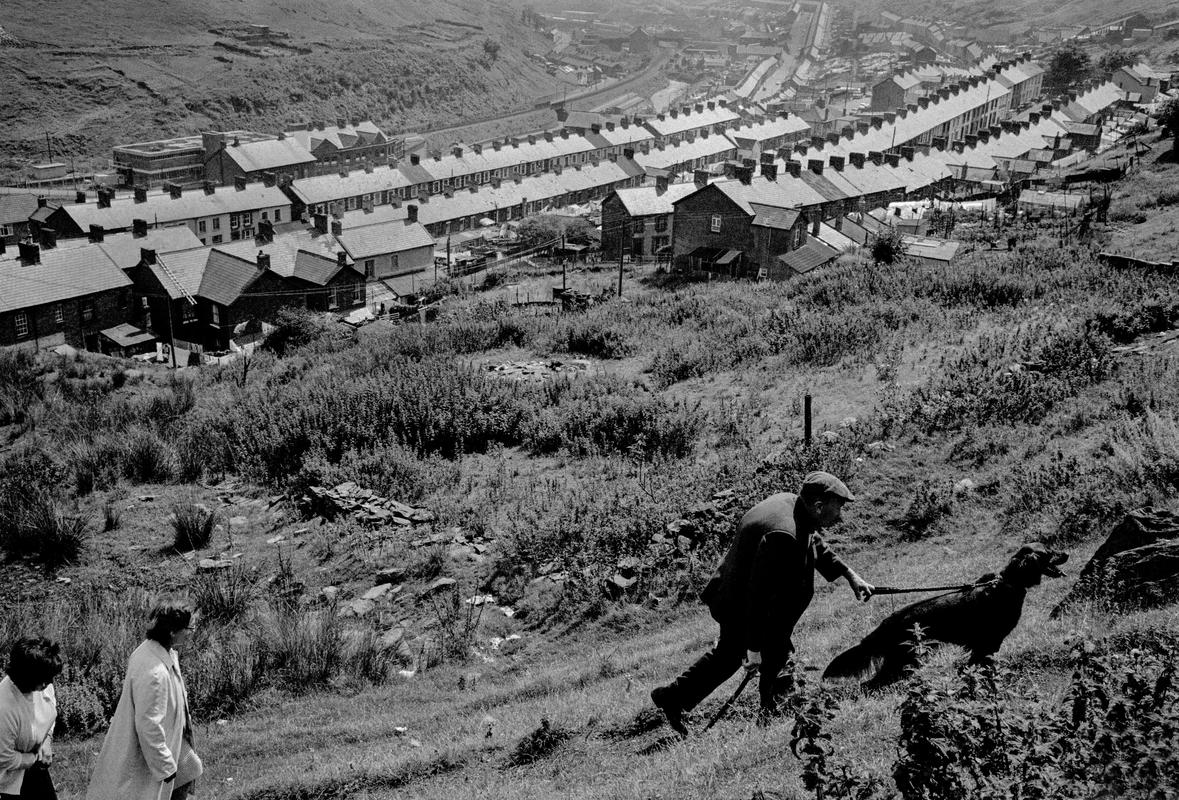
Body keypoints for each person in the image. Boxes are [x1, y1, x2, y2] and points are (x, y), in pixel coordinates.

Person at [651, 471, 874, 734]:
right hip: (743, 604)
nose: (840, 516)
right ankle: (775, 715)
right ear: (819, 505)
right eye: (839, 507)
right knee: (768, 654)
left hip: (745, 596)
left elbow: (813, 541)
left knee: (733, 654)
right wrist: (754, 648)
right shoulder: (783, 534)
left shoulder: (794, 504)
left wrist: (850, 575)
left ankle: (674, 698)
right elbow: (758, 595)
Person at [86, 600, 203, 800]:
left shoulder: (160, 651)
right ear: (172, 632)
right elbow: (148, 725)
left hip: (173, 743)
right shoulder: (154, 672)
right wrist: (165, 766)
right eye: (188, 628)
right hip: (151, 756)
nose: (191, 632)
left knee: (191, 769)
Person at [0, 638, 63, 800]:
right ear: (27, 677)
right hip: (7, 776)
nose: (50, 683)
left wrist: (47, 739)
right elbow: (4, 757)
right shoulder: (4, 708)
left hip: (34, 767)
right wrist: (33, 758)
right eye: (46, 679)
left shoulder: (43, 681)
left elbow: (49, 710)